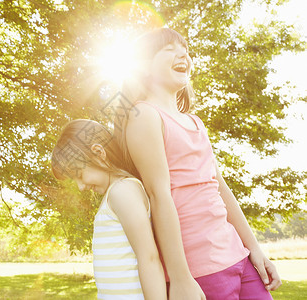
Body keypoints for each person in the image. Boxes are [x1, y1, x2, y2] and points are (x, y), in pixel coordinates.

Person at [113, 28, 282, 300]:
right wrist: (180, 278)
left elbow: (222, 190)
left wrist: (255, 250)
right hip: (199, 270)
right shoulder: (144, 114)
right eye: (169, 49)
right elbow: (159, 196)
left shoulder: (195, 122)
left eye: (186, 50)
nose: (183, 54)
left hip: (237, 256)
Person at [51, 119, 166, 299]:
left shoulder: (122, 191)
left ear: (98, 153)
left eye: (79, 175)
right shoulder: (115, 194)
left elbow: (149, 258)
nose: (80, 187)